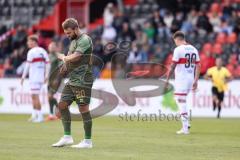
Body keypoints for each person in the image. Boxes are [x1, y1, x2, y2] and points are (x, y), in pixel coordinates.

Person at [52, 18, 94, 148]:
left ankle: (87, 141)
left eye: (69, 33)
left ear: (76, 29)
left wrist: (64, 57)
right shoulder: (73, 41)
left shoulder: (85, 39)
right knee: (62, 105)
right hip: (72, 79)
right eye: (66, 33)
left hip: (83, 80)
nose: (67, 35)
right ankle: (67, 137)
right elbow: (70, 59)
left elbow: (77, 56)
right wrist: (64, 66)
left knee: (83, 109)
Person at [165, 31, 201, 135]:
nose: (174, 43)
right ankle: (187, 123)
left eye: (174, 41)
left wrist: (167, 79)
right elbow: (198, 66)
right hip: (190, 79)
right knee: (182, 101)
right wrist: (196, 80)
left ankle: (185, 128)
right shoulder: (194, 49)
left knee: (181, 103)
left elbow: (173, 66)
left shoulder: (178, 49)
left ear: (177, 39)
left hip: (182, 79)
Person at [21, 35, 50, 123]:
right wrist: (46, 76)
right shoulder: (43, 51)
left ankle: (40, 117)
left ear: (34, 42)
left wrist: (23, 77)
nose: (27, 43)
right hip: (40, 77)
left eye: (29, 41)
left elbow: (27, 65)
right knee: (34, 96)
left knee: (35, 96)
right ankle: (34, 115)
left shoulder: (31, 52)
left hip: (34, 77)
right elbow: (48, 64)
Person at [46, 42, 61, 121]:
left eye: (52, 47)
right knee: (49, 98)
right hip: (49, 80)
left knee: (50, 96)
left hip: (55, 80)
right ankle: (51, 115)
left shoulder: (58, 56)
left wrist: (57, 79)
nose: (51, 48)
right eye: (50, 47)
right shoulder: (48, 56)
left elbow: (61, 68)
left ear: (56, 48)